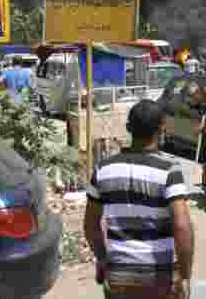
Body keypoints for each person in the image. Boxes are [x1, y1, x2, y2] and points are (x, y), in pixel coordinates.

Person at [84, 100, 194, 299]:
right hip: (159, 277)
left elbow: (91, 225)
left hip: (119, 277)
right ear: (162, 128)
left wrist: (102, 258)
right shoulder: (169, 170)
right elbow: (182, 226)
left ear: (128, 128)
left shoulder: (103, 169)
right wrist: (185, 276)